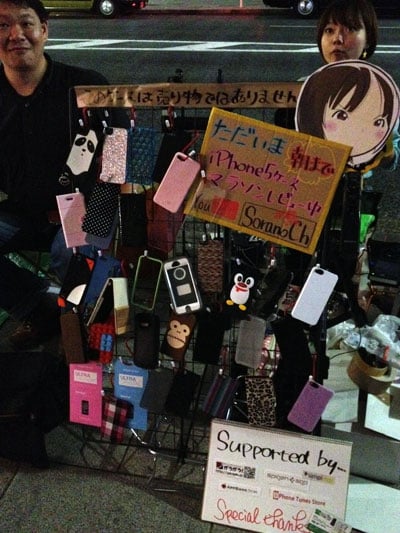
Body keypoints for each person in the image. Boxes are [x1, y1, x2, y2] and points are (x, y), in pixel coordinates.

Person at [0, 0, 124, 350]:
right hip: (23, 211)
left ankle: (86, 332)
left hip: (86, 208)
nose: (15, 34)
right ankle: (38, 308)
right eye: (3, 25)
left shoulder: (86, 86)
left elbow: (119, 154)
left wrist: (100, 211)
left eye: (26, 23)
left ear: (44, 30)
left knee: (74, 254)